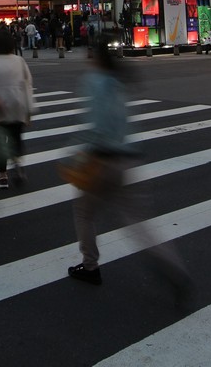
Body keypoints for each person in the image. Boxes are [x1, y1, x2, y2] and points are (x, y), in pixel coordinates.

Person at [67, 39, 194, 305]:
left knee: (83, 212)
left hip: (101, 160)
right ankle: (173, 268)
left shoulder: (95, 81)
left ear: (95, 58)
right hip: (125, 159)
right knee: (138, 222)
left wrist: (81, 156)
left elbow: (98, 125)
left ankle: (90, 266)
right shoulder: (116, 81)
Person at [0, 28, 35, 188]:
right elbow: (27, 84)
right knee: (16, 138)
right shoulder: (19, 61)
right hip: (17, 105)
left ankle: (2, 175)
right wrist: (28, 112)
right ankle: (17, 163)